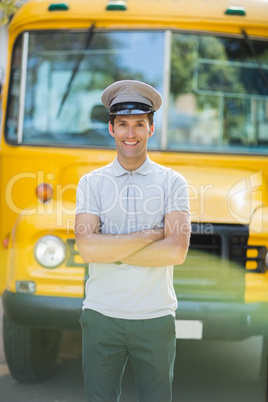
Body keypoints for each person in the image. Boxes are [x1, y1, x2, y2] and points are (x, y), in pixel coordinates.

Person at [75, 80, 191, 402]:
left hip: (155, 318)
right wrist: (152, 234)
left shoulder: (172, 182)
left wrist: (108, 248)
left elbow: (176, 250)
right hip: (101, 317)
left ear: (151, 129)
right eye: (123, 124)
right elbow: (86, 248)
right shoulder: (91, 183)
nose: (131, 133)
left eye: (139, 124)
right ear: (111, 128)